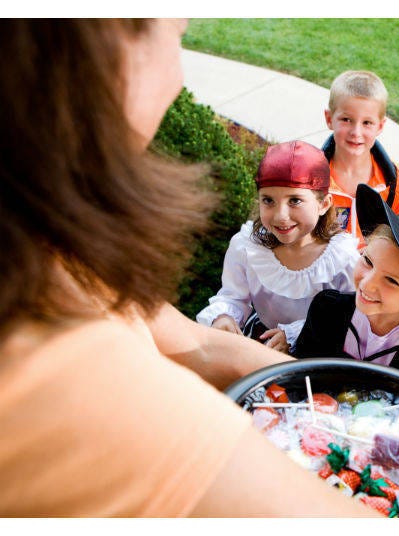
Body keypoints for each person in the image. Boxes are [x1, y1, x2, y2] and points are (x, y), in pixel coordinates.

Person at [0, 19, 377, 517]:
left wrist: (335, 399)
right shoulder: (64, 370)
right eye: (175, 30)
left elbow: (193, 343)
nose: (178, 76)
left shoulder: (46, 248)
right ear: (105, 46)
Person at [294, 183, 399, 391]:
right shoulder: (327, 310)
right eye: (368, 261)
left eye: (392, 280)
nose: (367, 283)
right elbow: (298, 381)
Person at [196, 140, 359, 354]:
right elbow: (233, 296)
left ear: (323, 204)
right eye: (268, 200)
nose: (281, 216)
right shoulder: (246, 247)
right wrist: (223, 316)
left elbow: (351, 318)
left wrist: (294, 333)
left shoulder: (342, 259)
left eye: (295, 201)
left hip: (317, 350)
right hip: (262, 340)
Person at [321, 70, 399, 246]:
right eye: (346, 119)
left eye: (367, 123)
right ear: (329, 118)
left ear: (380, 126)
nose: (356, 132)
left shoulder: (396, 184)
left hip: (372, 269)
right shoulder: (310, 178)